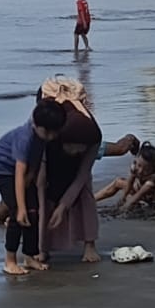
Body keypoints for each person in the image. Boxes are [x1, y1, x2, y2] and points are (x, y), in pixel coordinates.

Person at [0, 99, 67, 274]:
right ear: (39, 126)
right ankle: (9, 260)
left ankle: (29, 256)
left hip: (23, 171)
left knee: (33, 212)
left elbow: (33, 163)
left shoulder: (41, 136)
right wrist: (20, 207)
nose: (53, 137)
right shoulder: (25, 138)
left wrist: (30, 181)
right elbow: (19, 173)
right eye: (50, 133)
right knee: (17, 215)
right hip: (2, 168)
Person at [40, 97, 102, 265]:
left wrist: (63, 206)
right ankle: (41, 247)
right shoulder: (48, 134)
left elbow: (83, 174)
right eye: (74, 147)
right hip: (50, 158)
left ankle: (90, 245)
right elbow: (41, 180)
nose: (78, 151)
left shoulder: (93, 136)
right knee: (44, 194)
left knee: (84, 192)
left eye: (82, 147)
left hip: (78, 163)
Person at [94, 141, 155, 217]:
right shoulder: (135, 167)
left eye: (146, 170)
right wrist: (124, 197)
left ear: (154, 169)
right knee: (118, 182)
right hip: (142, 189)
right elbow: (130, 181)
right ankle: (93, 199)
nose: (141, 171)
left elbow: (141, 192)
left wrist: (127, 205)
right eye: (139, 165)